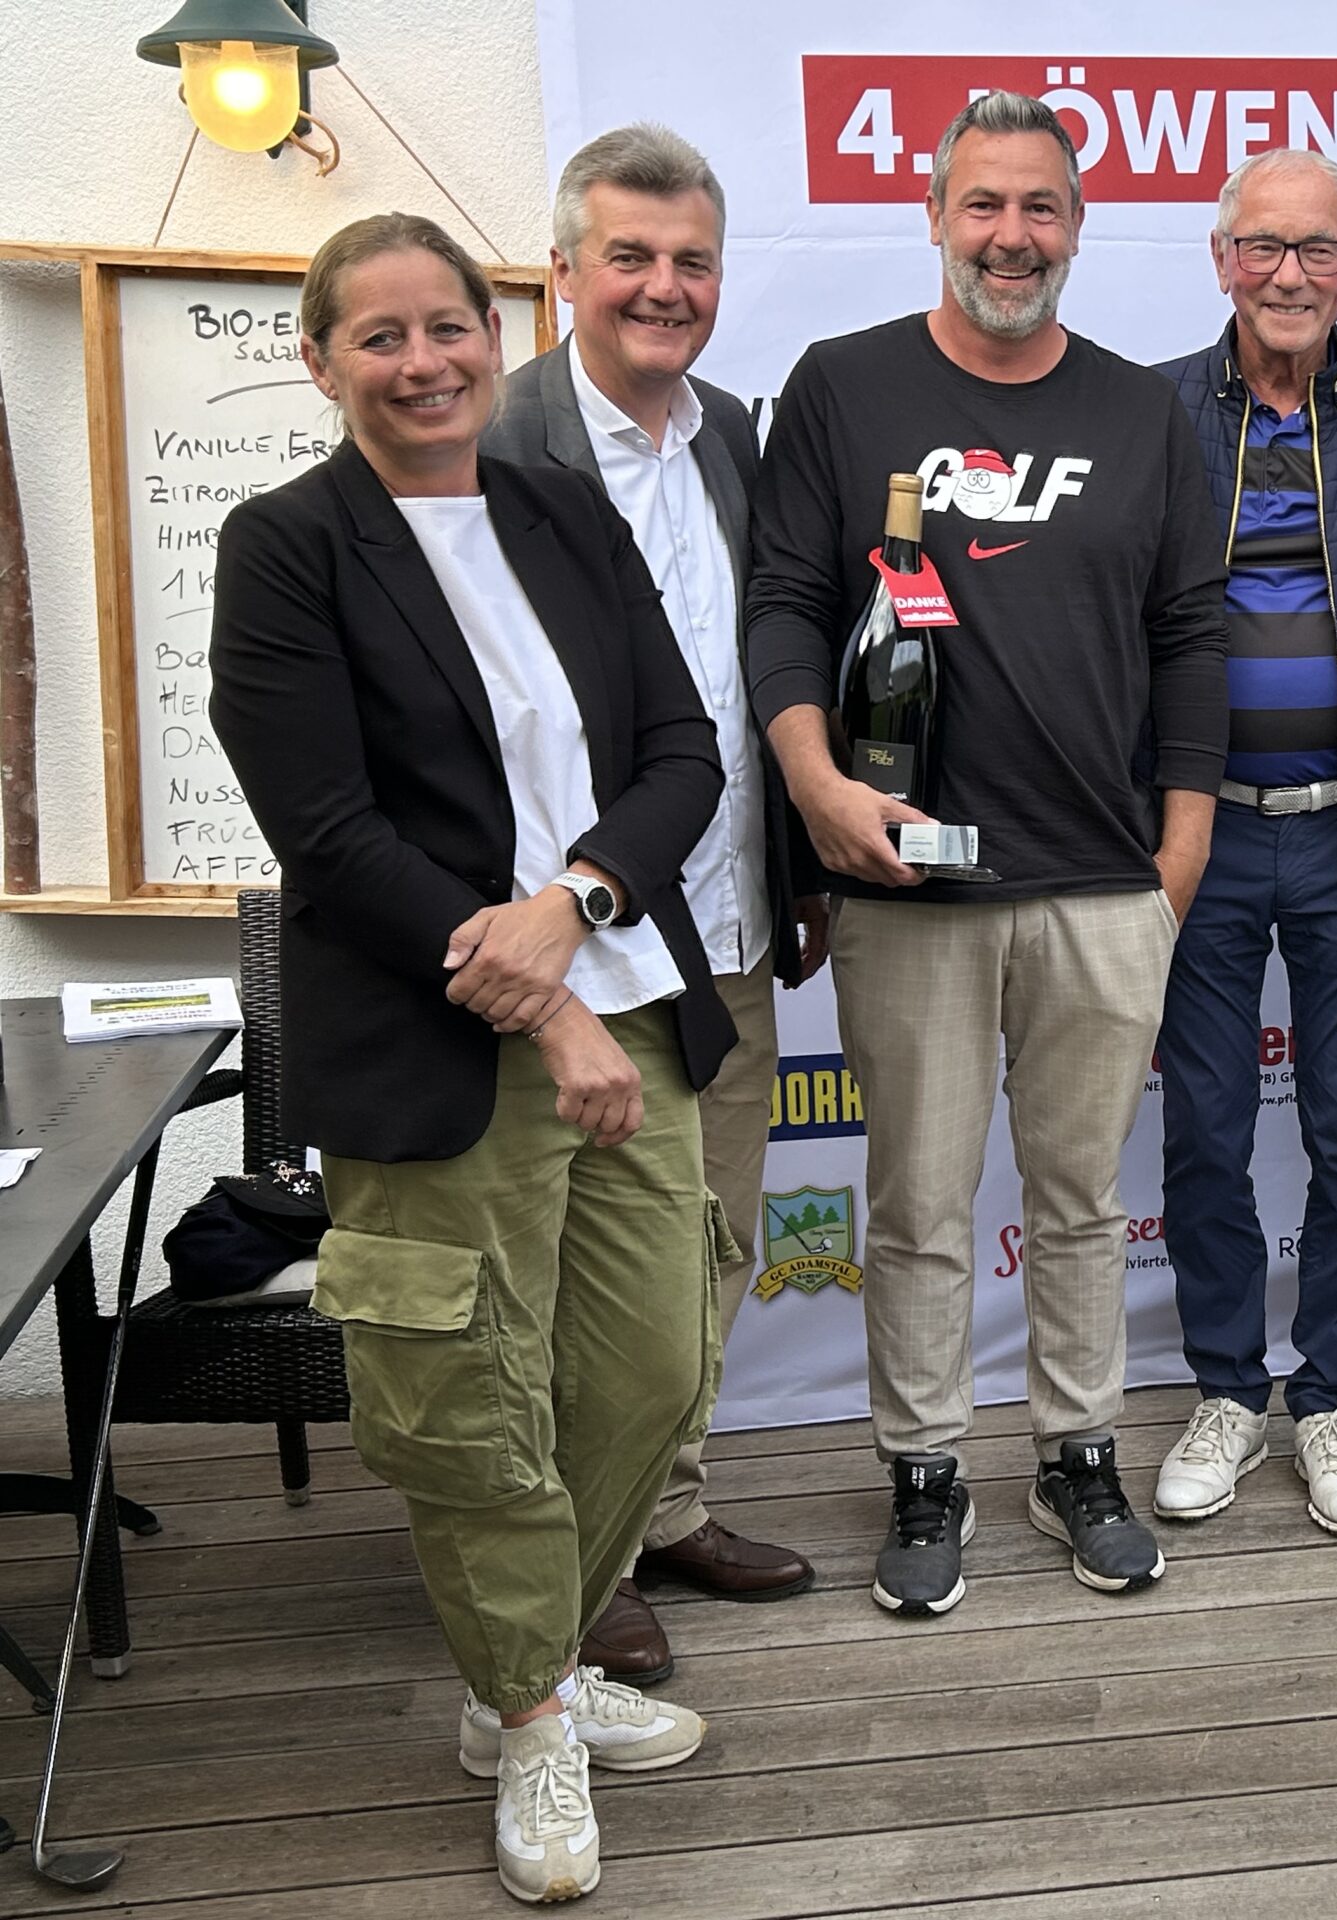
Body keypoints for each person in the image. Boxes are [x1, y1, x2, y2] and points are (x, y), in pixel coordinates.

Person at [210, 212, 734, 1905]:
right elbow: (327, 832)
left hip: (629, 992)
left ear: (493, 335)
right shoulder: (287, 547)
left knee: (650, 1369)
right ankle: (525, 1714)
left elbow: (683, 749)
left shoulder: (564, 512)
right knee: (471, 1397)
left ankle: (534, 1659)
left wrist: (578, 908)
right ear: (321, 361)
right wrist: (541, 999)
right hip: (436, 1039)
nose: (424, 362)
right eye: (380, 337)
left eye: (448, 327)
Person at [745, 92, 1227, 1611]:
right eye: (984, 205)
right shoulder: (842, 388)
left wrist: (1180, 856)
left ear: (1076, 229)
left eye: (1041, 208)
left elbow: (1190, 632)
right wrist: (818, 793)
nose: (1011, 237)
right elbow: (782, 605)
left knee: (1082, 1200)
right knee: (918, 1205)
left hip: (1103, 883)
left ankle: (1078, 1453)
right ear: (935, 216)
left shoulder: (1141, 410)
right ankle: (924, 1467)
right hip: (908, 883)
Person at [482, 122, 824, 1683]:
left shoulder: (733, 433)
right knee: (583, 1282)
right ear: (563, 271)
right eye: (629, 256)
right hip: (577, 948)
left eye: (691, 260)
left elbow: (763, 674)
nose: (662, 287)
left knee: (711, 1249)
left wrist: (792, 871)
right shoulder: (497, 443)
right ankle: (581, 1554)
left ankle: (663, 1504)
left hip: (727, 928)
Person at [1148, 148, 1337, 1537]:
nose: (1289, 274)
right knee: (1205, 1132)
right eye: (1263, 246)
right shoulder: (1150, 412)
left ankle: (1331, 1396)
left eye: (1318, 248)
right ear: (1222, 259)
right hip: (1196, 840)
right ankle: (1227, 1387)